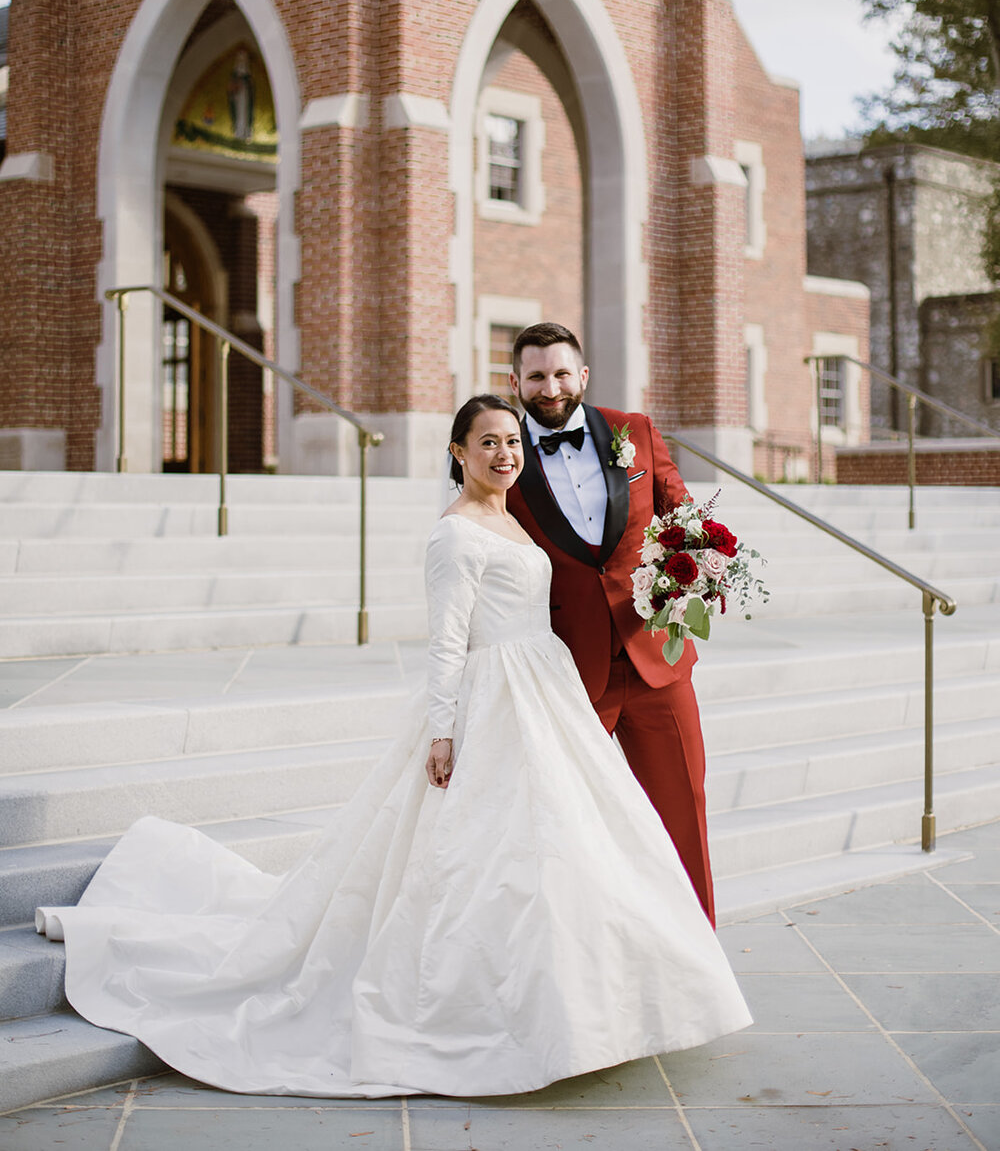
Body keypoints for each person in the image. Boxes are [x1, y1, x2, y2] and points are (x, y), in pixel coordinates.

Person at [35, 394, 749, 1099]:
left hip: (548, 687)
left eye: (510, 442)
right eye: (488, 444)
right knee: (489, 858)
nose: (504, 455)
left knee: (576, 846)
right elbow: (445, 642)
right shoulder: (455, 533)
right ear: (458, 453)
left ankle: (594, 1005)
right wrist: (443, 730)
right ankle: (493, 1008)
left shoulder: (509, 516)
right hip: (495, 697)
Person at [506, 322, 717, 923]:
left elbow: (686, 520)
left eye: (562, 373)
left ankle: (696, 946)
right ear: (515, 381)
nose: (551, 387)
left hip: (658, 662)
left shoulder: (636, 431)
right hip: (567, 673)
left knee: (683, 809)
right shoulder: (503, 452)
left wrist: (691, 580)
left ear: (584, 375)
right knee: (569, 824)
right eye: (537, 376)